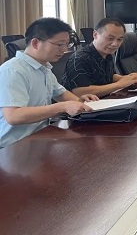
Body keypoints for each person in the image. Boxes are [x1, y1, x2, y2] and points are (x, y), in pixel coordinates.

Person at [0, 18, 99, 148]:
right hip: (13, 147)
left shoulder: (44, 68)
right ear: (35, 43)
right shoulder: (13, 70)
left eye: (67, 44)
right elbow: (14, 116)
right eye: (59, 45)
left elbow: (61, 94)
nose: (64, 49)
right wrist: (63, 107)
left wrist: (80, 102)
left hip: (40, 138)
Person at [62, 18, 137, 97]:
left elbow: (108, 76)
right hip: (81, 105)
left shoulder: (107, 54)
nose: (115, 44)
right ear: (95, 35)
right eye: (110, 38)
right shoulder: (79, 58)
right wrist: (119, 84)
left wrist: (127, 79)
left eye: (119, 39)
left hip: (103, 101)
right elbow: (80, 92)